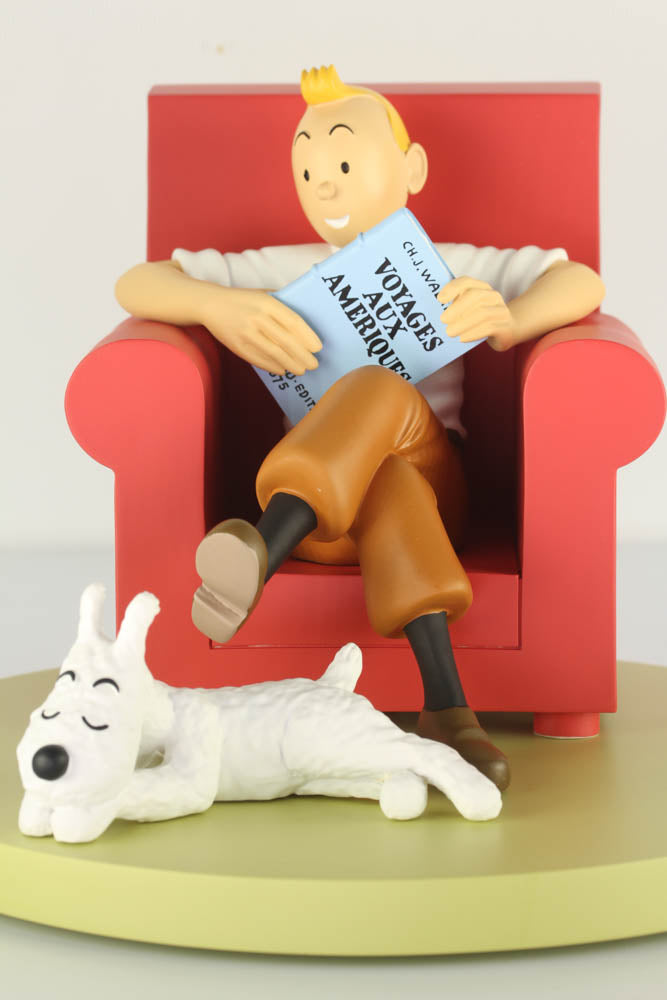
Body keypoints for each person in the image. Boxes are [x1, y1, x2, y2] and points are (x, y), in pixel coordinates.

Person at [115, 65, 606, 791]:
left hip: (429, 497)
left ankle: (259, 552)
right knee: (386, 476)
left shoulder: (446, 263)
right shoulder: (281, 269)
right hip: (328, 524)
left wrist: (511, 318)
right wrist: (217, 308)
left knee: (378, 391)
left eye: (343, 165)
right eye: (308, 172)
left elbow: (581, 280)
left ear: (412, 169)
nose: (326, 187)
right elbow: (135, 283)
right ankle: (447, 709)